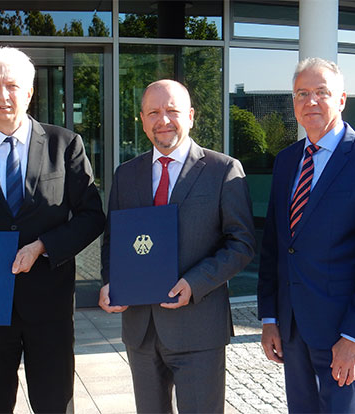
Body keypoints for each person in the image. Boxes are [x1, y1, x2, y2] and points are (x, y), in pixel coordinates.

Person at [0, 46, 105, 413]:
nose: (3, 95)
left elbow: (92, 216)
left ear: (29, 92)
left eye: (12, 85)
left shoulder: (65, 145)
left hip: (49, 304)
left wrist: (43, 245)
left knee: (54, 403)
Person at [99, 79, 256, 413]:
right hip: (141, 330)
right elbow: (114, 237)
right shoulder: (125, 175)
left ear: (191, 116)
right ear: (142, 119)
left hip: (198, 326)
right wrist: (109, 282)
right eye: (154, 112)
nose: (163, 120)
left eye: (172, 110)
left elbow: (241, 244)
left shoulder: (223, 170)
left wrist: (194, 283)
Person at [257, 57, 355, 413]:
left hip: (341, 330)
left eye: (321, 92)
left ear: (341, 99)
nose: (310, 101)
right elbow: (275, 246)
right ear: (293, 103)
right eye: (301, 93)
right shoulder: (287, 161)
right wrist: (270, 318)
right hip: (291, 329)